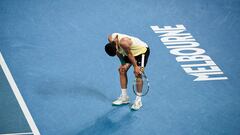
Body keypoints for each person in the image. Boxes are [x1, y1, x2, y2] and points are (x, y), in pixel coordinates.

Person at [105, 33, 150, 110]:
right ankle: (124, 97)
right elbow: (118, 53)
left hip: (141, 52)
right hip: (128, 52)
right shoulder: (110, 39)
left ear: (115, 46)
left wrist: (136, 67)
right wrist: (123, 64)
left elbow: (129, 54)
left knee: (137, 73)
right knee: (122, 70)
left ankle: (138, 101)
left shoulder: (123, 43)